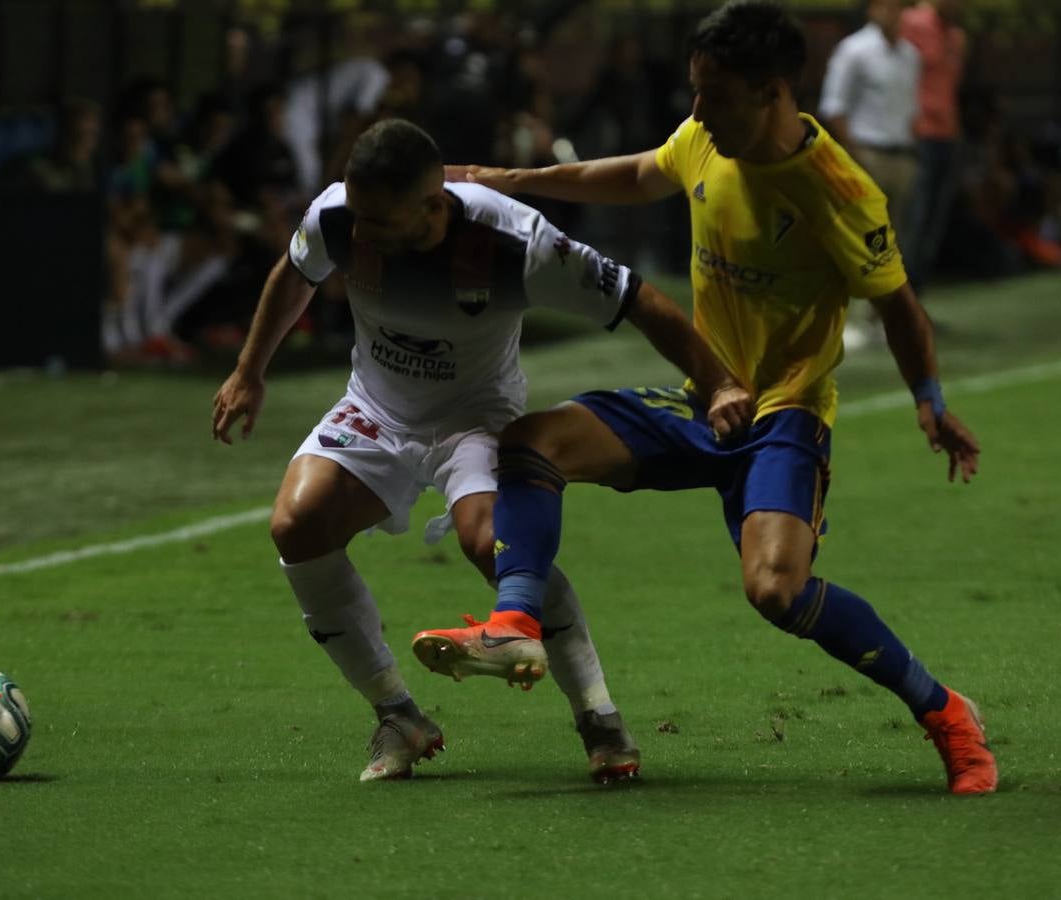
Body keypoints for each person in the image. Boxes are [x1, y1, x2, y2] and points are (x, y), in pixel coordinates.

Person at [417, 0, 998, 795]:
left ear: (771, 93)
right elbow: (636, 172)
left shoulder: (838, 191)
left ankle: (946, 715)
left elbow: (896, 302)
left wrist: (928, 398)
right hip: (701, 398)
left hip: (783, 415)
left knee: (775, 590)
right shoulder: (705, 140)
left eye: (713, 94)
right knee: (531, 442)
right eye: (694, 91)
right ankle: (515, 625)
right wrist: (507, 181)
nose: (696, 111)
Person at [210, 118, 748, 783]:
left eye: (381, 221)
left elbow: (637, 298)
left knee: (491, 542)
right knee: (296, 526)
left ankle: (597, 715)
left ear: (434, 205)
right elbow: (294, 274)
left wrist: (721, 381)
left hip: (476, 419)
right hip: (374, 408)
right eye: (357, 215)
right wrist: (249, 370)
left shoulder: (515, 243)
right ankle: (398, 715)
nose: (363, 234)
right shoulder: (337, 215)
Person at [819, 0, 919, 252]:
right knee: (867, 236)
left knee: (900, 236)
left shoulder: (910, 55)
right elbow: (834, 106)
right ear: (873, 9)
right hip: (868, 153)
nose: (893, 12)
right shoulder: (854, 50)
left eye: (898, 6)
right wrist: (856, 154)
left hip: (903, 156)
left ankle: (897, 291)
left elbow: (911, 106)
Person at [900, 0, 966, 295]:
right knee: (915, 216)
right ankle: (901, 295)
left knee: (933, 223)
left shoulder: (955, 36)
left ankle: (918, 295)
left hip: (947, 134)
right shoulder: (912, 23)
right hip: (919, 134)